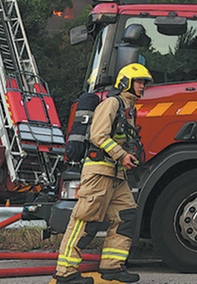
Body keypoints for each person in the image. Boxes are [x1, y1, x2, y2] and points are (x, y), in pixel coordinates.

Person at [52, 63, 152, 284]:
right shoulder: (112, 103)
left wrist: (128, 155)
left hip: (116, 174)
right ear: (125, 83)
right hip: (99, 172)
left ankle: (112, 266)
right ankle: (65, 272)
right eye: (139, 81)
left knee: (126, 215)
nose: (143, 86)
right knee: (85, 219)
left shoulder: (128, 108)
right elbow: (98, 135)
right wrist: (121, 155)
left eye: (144, 83)